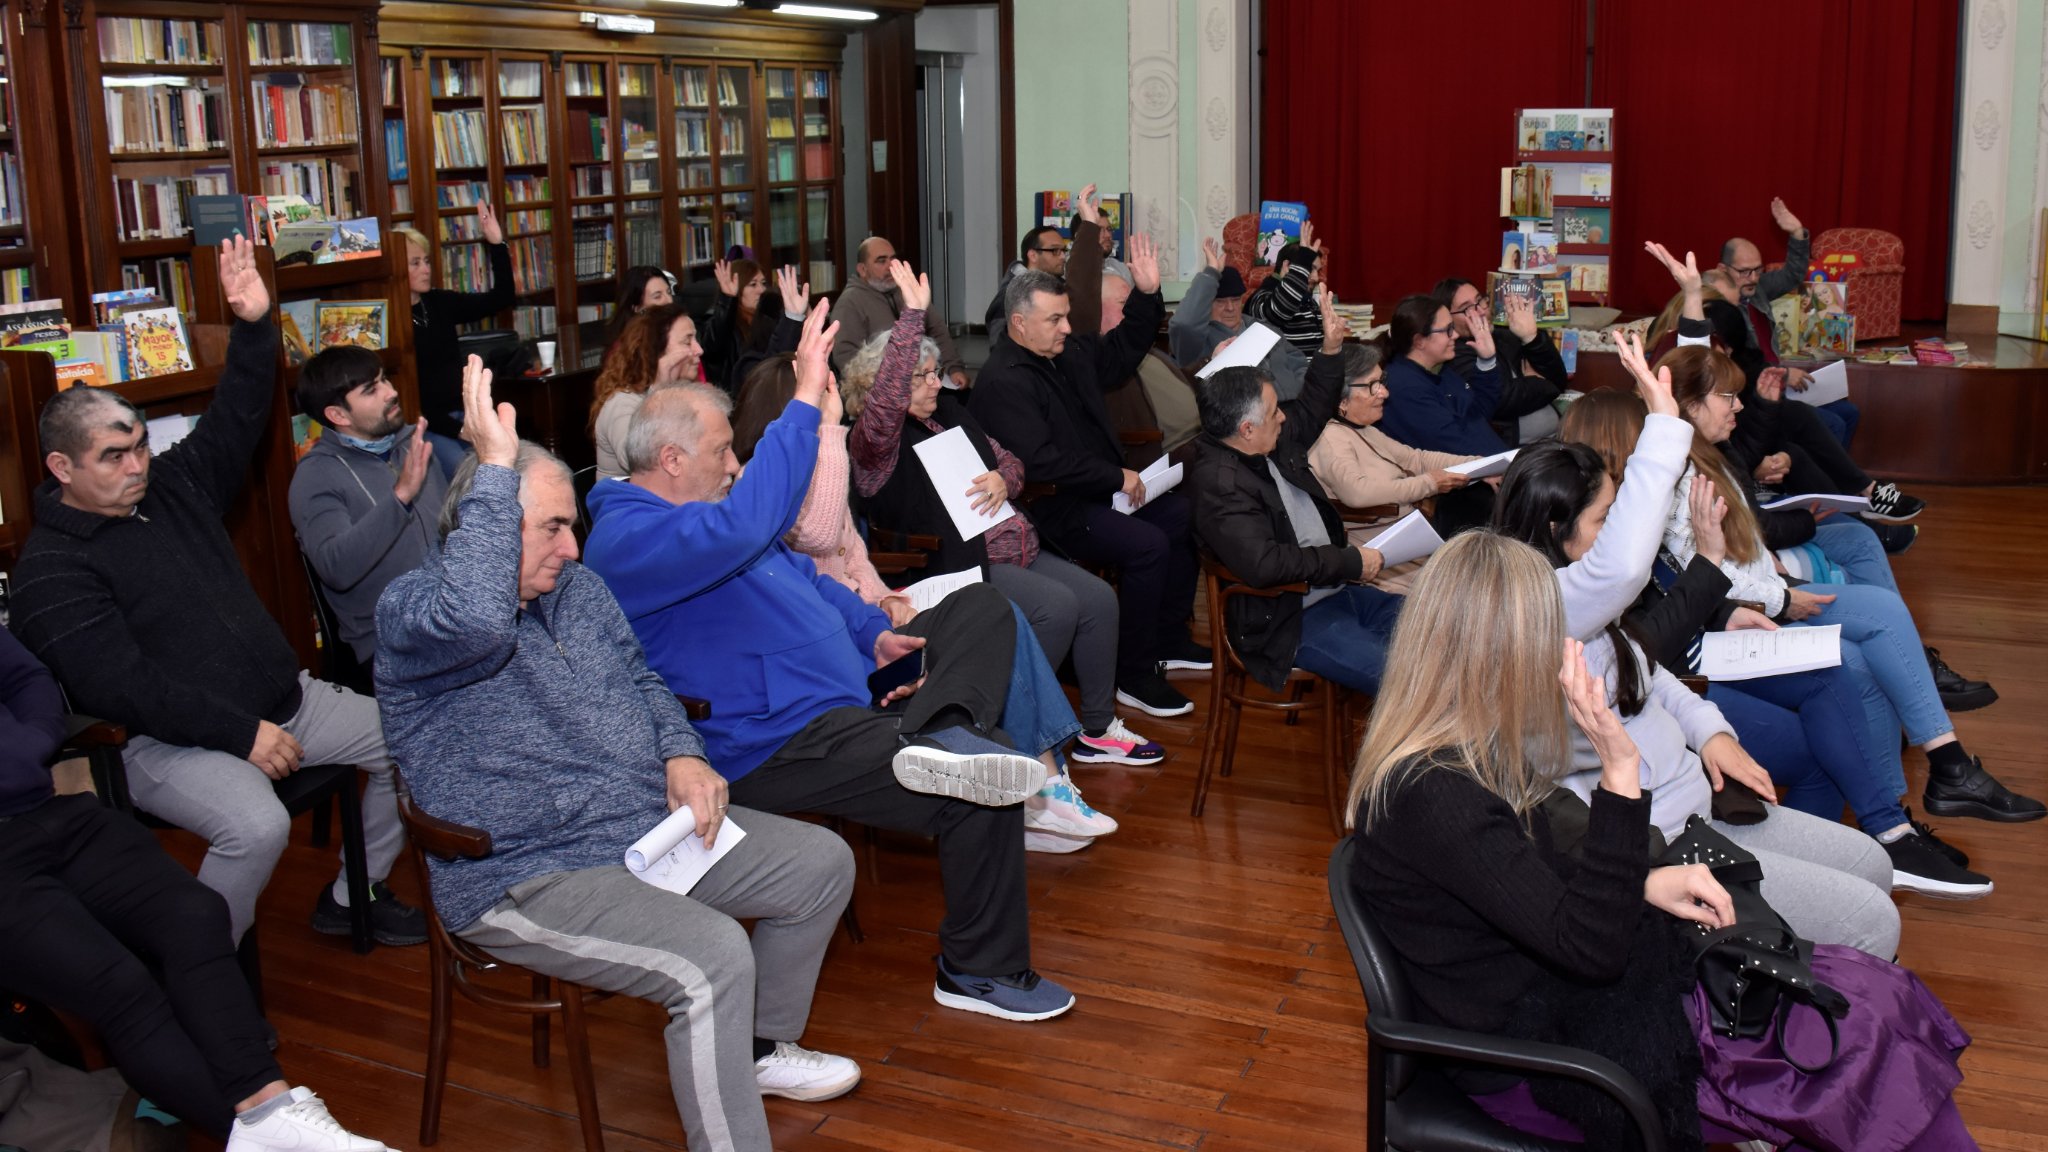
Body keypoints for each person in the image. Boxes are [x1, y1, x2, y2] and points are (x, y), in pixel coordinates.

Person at [1344, 531, 1978, 1151]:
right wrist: (1620, 772)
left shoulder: (1461, 757)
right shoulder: (1439, 794)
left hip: (1565, 1009)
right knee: (1862, 1042)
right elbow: (1589, 951)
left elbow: (1535, 878)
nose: (1559, 653)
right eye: (1547, 637)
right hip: (1543, 1065)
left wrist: (1643, 880)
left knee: (1867, 1005)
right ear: (1503, 657)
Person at [375, 357, 862, 1151]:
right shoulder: (417, 615)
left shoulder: (579, 593)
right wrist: (494, 466)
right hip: (523, 872)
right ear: (482, 528)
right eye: (551, 528)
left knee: (820, 864)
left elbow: (643, 679)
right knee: (713, 956)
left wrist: (680, 753)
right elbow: (480, 623)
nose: (573, 548)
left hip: (639, 833)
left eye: (573, 525)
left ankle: (757, 1049)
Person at [584, 305, 1078, 1022]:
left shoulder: (709, 517)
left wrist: (873, 635)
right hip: (780, 737)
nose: (734, 465)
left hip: (851, 690)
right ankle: (979, 970)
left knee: (982, 608)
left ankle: (946, 724)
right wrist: (805, 400)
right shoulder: (628, 540)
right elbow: (750, 524)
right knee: (986, 775)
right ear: (671, 460)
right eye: (723, 452)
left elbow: (810, 581)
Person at [10, 237, 421, 948]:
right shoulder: (50, 571)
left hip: (284, 702)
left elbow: (235, 418)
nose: (137, 466)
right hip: (167, 744)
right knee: (257, 826)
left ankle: (353, 891)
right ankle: (200, 965)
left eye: (140, 446)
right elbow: (124, 687)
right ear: (62, 468)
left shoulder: (170, 487)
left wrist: (255, 325)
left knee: (413, 741)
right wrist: (240, 734)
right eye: (114, 456)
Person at [1493, 325, 1902, 958]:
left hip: (1697, 800)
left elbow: (1648, 674)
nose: (1618, 529)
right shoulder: (1541, 608)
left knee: (1872, 866)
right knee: (1872, 919)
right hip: (1661, 841)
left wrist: (1711, 734)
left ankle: (1807, 956)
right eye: (1604, 518)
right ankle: (1795, 988)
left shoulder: (1588, 606)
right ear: (1555, 528)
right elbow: (1627, 572)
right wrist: (1662, 426)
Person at [1562, 387, 1992, 897]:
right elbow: (1643, 651)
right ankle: (1867, 849)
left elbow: (1662, 598)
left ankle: (1884, 835)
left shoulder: (1617, 522)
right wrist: (1712, 567)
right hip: (1681, 682)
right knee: (1826, 723)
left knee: (1834, 669)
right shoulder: (1593, 556)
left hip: (1695, 657)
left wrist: (1726, 610)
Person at [0, 628, 395, 1152]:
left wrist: (26, 745)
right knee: (120, 986)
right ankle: (254, 1134)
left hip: (45, 809)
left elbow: (26, 677)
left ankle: (267, 1107)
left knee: (194, 913)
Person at [729, 344, 1126, 853]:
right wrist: (825, 430)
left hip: (875, 618)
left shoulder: (918, 427)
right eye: (818, 394)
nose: (832, 402)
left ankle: (1042, 783)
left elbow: (854, 558)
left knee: (998, 615)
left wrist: (883, 599)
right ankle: (1035, 790)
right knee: (1004, 617)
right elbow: (822, 535)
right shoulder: (763, 487)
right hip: (848, 650)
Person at [1653, 341, 2043, 826]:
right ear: (1691, 407)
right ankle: (1913, 800)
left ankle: (1932, 779)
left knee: (1883, 614)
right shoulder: (1681, 472)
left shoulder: (1708, 454)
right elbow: (1704, 575)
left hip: (1761, 596)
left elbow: (1736, 548)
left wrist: (1778, 581)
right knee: (1859, 659)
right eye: (1727, 397)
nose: (1738, 406)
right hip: (1735, 622)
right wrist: (1783, 597)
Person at [844, 259, 1159, 772]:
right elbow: (884, 407)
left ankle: (1097, 730)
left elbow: (1012, 461)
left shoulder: (948, 413)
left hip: (1014, 546)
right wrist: (913, 317)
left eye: (934, 372)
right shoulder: (876, 444)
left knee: (1099, 600)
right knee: (1057, 607)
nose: (934, 384)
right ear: (888, 385)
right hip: (956, 565)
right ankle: (1015, 732)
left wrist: (1001, 480)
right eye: (921, 377)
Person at [970, 227, 1210, 718]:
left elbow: (1121, 351)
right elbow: (1039, 461)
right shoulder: (1003, 381)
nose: (1066, 327)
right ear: (1019, 323)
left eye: (1065, 316)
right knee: (1147, 545)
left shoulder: (1065, 353)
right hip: (1050, 507)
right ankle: (1134, 675)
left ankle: (1166, 640)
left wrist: (1147, 295)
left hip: (1093, 493)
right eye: (1054, 319)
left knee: (1181, 516)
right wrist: (1115, 476)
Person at [1189, 289, 1404, 694]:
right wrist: (1348, 562)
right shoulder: (1221, 485)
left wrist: (1331, 348)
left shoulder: (1263, 440)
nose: (1284, 418)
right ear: (1247, 429)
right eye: (1275, 412)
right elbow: (1266, 564)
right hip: (1289, 619)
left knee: (1440, 629)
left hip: (1333, 591)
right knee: (1405, 677)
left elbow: (1311, 408)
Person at [289, 344, 449, 669]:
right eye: (371, 390)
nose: (391, 392)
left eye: (384, 379)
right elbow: (336, 567)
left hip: (451, 613)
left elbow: (453, 529)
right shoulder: (316, 475)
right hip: (390, 642)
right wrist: (400, 497)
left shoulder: (412, 444)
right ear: (338, 415)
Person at [1306, 343, 1482, 592]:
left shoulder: (1363, 430)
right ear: (1341, 399)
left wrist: (1480, 465)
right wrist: (1429, 484)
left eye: (1382, 382)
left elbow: (1416, 460)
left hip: (1409, 543)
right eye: (1372, 386)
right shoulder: (1330, 439)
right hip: (1382, 558)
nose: (1384, 393)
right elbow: (1358, 492)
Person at [399, 206, 513, 479]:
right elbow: (416, 401)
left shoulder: (439, 302)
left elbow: (502, 297)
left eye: (427, 261)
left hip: (464, 415)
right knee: (468, 473)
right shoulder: (393, 320)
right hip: (428, 426)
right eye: (415, 263)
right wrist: (460, 431)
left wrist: (497, 244)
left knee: (507, 463)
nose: (426, 269)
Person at [1434, 276, 1567, 444]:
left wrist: (1531, 337)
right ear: (1448, 319)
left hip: (1554, 440)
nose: (1481, 311)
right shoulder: (1454, 353)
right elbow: (1501, 399)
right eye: (1467, 308)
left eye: (1480, 300)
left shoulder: (1505, 336)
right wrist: (1540, 381)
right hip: (1512, 449)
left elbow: (1559, 379)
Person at [1168, 237, 1308, 397]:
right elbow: (1183, 324)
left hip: (1292, 407)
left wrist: (1298, 391)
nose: (1230, 307)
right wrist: (1211, 273)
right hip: (1247, 412)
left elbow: (1299, 361)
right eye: (1220, 301)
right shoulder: (1198, 341)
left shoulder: (1264, 328)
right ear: (1207, 303)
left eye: (1235, 300)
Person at [829, 235, 969, 386]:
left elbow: (938, 330)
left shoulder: (906, 291)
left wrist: (954, 368)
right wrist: (885, 386)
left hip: (925, 379)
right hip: (882, 389)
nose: (890, 266)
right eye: (881, 261)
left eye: (893, 259)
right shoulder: (850, 303)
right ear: (862, 269)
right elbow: (846, 358)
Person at [589, 302, 704, 478]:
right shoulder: (622, 402)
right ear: (657, 351)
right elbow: (638, 460)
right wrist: (660, 387)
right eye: (687, 341)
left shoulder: (686, 393)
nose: (699, 350)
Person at [1242, 223, 1327, 354]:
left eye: (1318, 270)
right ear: (1287, 266)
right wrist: (1303, 260)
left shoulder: (1309, 301)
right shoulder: (1260, 298)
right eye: (1310, 269)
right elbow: (1280, 311)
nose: (1316, 278)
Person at [984, 222, 1072, 344]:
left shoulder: (1060, 286)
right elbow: (999, 344)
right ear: (1033, 255)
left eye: (1064, 250)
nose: (1063, 256)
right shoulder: (1011, 295)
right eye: (1055, 250)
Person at [604, 264, 675, 348]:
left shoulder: (674, 329)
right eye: (657, 296)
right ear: (637, 308)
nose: (669, 301)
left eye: (668, 292)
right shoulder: (626, 347)